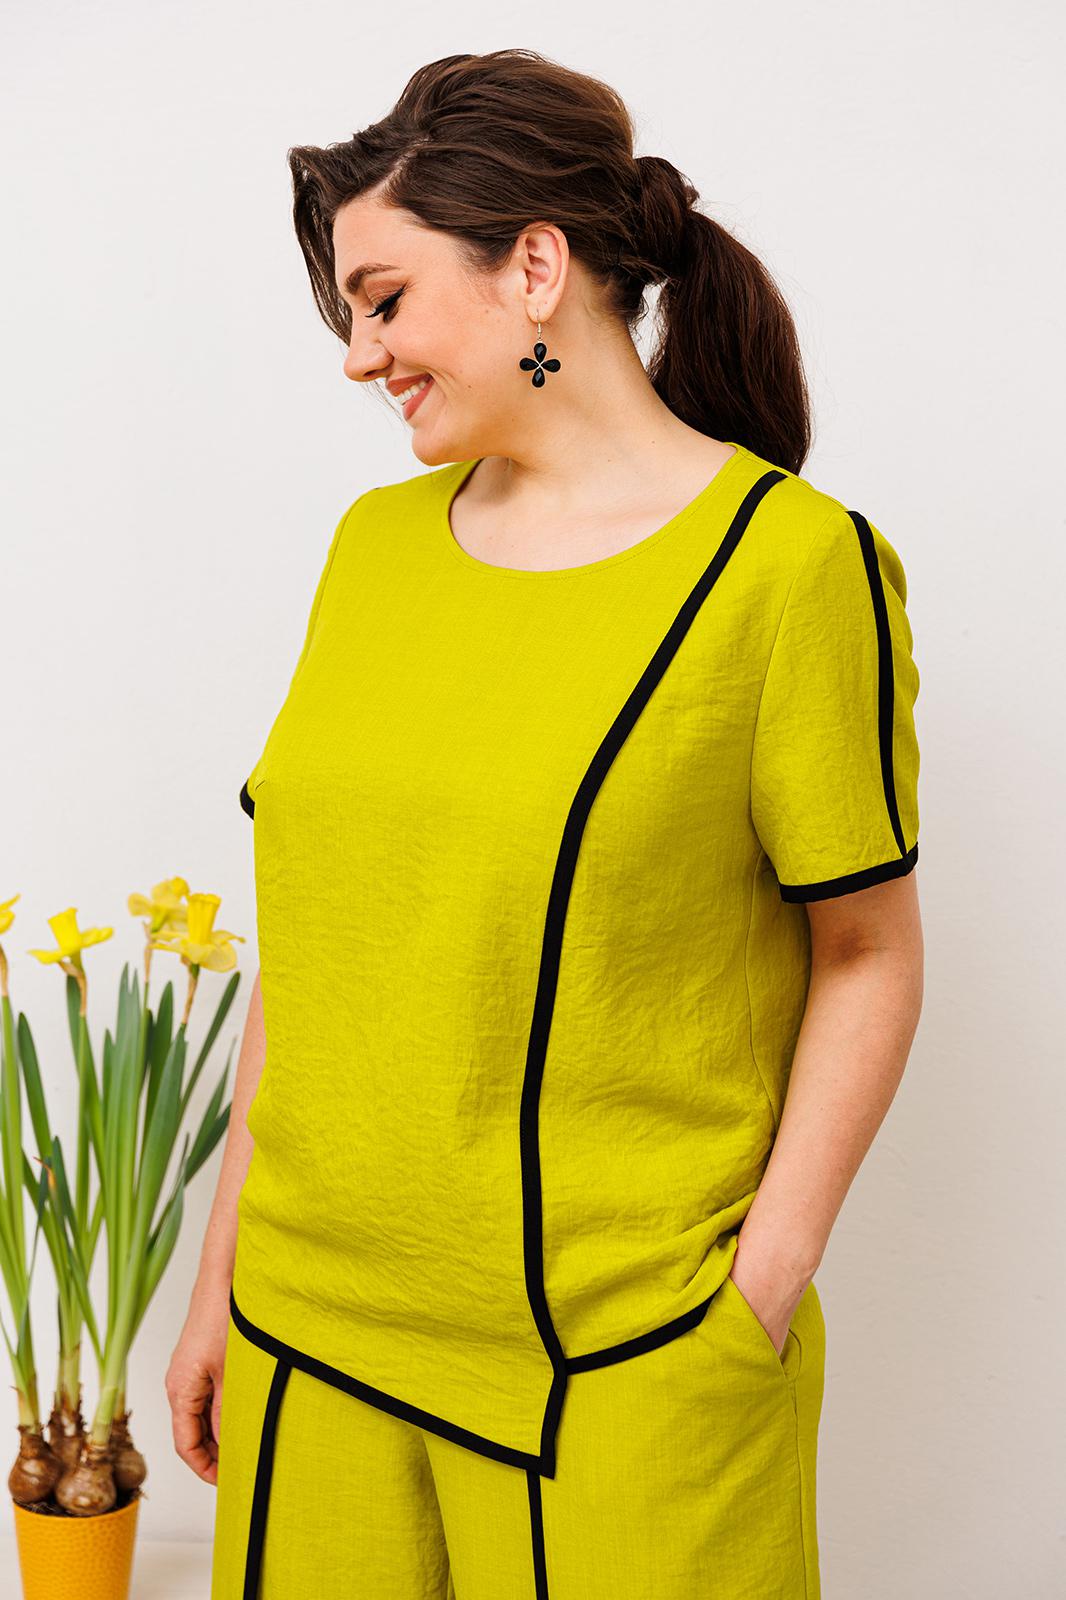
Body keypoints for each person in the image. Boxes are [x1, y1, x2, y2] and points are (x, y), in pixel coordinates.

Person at [166, 47, 924, 1600]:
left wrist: (752, 1295)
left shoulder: (788, 570)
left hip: (618, 1366)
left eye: (383, 299)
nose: (360, 355)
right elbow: (314, 947)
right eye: (348, 314)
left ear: (531, 267)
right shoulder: (372, 552)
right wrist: (217, 1280)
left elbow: (863, 952)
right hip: (307, 1343)